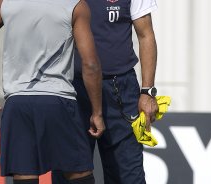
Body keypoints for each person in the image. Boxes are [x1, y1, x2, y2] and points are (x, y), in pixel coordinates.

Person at [0, 0, 106, 183]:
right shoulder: (75, 5)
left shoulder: (6, 3)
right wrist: (97, 112)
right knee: (78, 175)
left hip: (18, 104)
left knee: (25, 176)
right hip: (58, 101)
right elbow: (91, 64)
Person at [52, 0, 159, 183]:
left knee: (128, 175)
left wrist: (147, 92)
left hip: (121, 90)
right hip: (72, 87)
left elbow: (145, 34)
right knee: (70, 172)